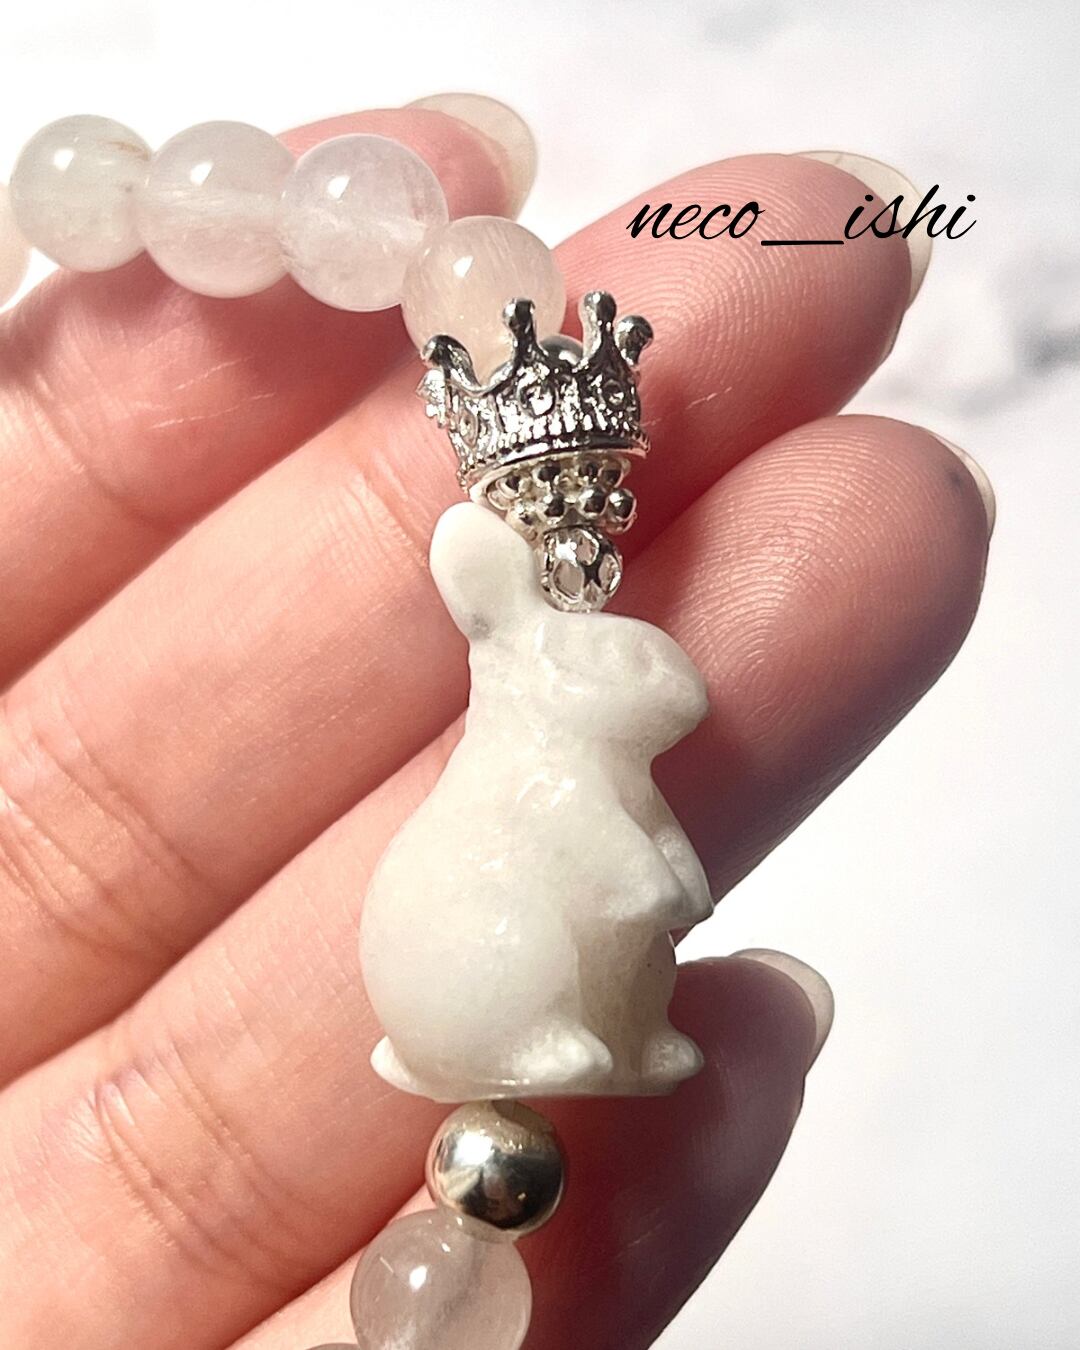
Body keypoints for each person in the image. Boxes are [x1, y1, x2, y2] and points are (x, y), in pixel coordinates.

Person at [0, 107, 993, 1347]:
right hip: (477, 976)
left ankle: (602, 1032)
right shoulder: (527, 698)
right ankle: (554, 1028)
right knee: (533, 924)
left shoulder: (559, 700)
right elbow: (579, 833)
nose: (665, 683)